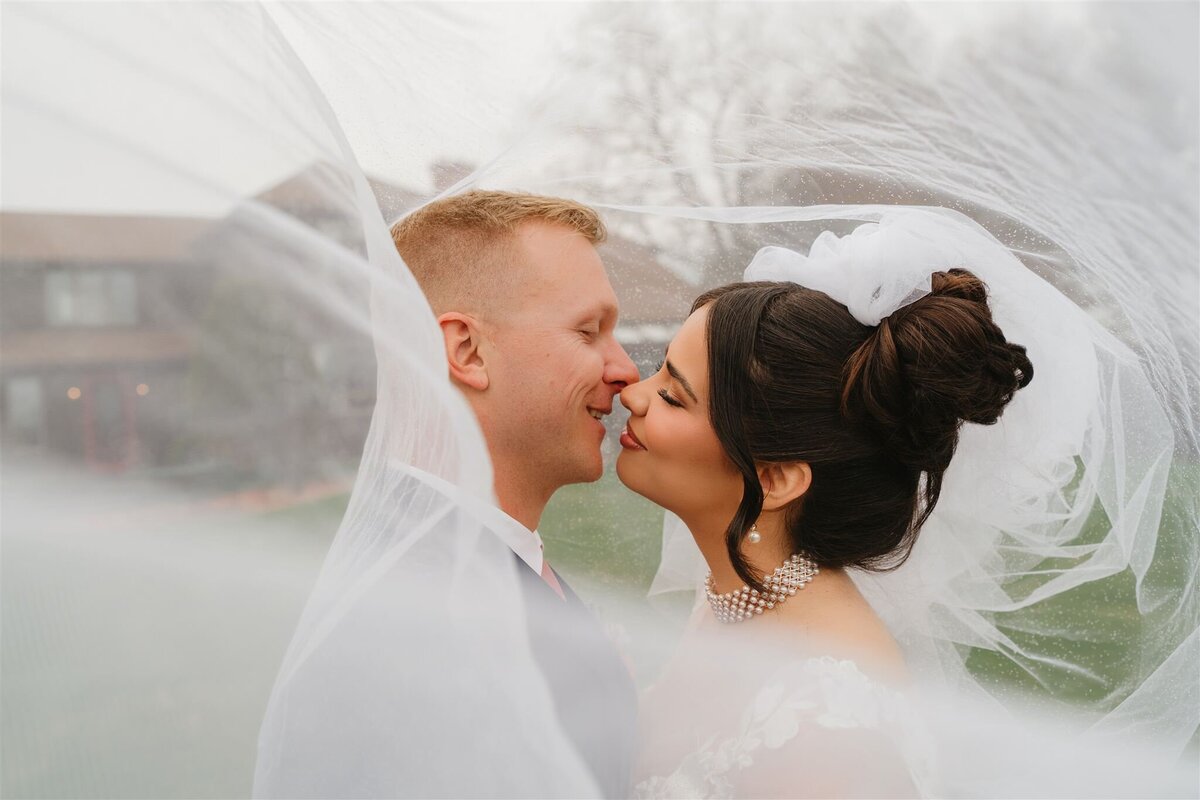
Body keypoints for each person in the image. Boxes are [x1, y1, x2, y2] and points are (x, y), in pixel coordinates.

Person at [617, 209, 1192, 798]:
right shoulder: (732, 599)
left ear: (776, 478)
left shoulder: (820, 729)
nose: (630, 394)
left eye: (671, 395)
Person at [255, 190, 641, 799]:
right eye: (588, 331)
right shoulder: (418, 620)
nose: (625, 370)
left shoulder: (475, 558)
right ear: (466, 350)